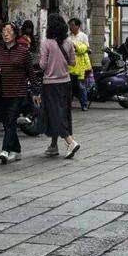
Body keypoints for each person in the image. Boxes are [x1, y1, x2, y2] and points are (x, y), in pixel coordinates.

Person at [0, 22, 38, 164]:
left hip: (18, 92)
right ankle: (16, 150)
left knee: (11, 119)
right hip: (2, 92)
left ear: (15, 34)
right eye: (3, 31)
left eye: (9, 31)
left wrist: (35, 92)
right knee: (7, 122)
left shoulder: (23, 52)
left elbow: (31, 74)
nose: (6, 34)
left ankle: (5, 150)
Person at [39, 13, 80, 158]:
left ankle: (70, 141)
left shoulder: (46, 43)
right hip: (66, 83)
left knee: (53, 113)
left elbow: (42, 65)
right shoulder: (68, 42)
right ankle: (53, 145)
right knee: (63, 112)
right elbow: (73, 62)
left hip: (50, 84)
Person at [67, 17, 90, 111]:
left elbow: (86, 48)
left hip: (81, 65)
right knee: (70, 87)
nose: (71, 27)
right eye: (70, 25)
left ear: (78, 26)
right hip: (70, 65)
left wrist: (76, 47)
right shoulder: (68, 37)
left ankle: (84, 104)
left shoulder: (83, 36)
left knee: (81, 86)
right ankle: (68, 105)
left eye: (72, 25)